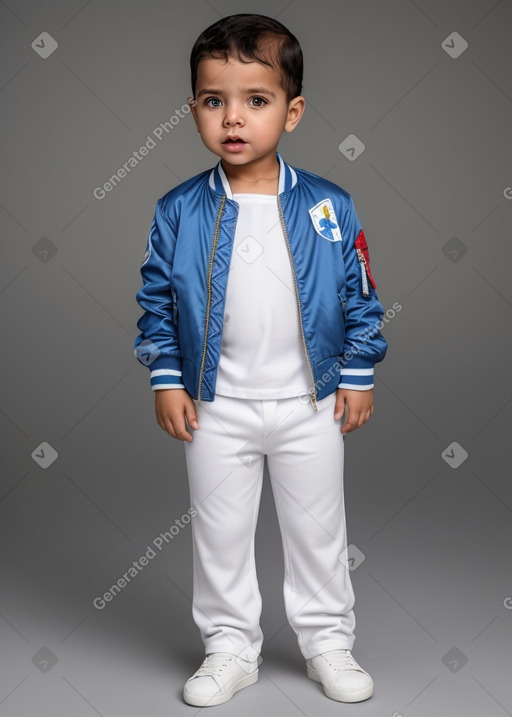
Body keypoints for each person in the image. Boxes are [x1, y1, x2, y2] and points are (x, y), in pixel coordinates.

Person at [133, 13, 388, 707]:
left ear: (293, 110)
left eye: (256, 99)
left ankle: (328, 640)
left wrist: (359, 371)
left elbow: (361, 295)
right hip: (216, 407)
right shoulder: (179, 210)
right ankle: (229, 646)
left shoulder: (329, 207)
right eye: (214, 101)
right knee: (218, 533)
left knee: (318, 529)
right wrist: (167, 378)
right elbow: (156, 302)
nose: (233, 118)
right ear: (194, 111)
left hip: (311, 405)